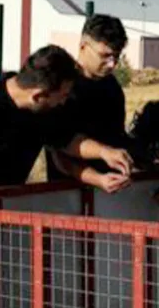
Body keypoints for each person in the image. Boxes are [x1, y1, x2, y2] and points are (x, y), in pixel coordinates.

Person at [0, 45, 133, 192]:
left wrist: (104, 152)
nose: (63, 103)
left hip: (2, 213)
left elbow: (67, 140)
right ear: (38, 96)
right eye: (61, 97)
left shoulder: (44, 113)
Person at [44, 14, 133, 194]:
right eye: (105, 55)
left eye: (116, 57)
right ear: (83, 46)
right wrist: (97, 178)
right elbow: (59, 152)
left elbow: (117, 139)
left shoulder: (112, 87)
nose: (112, 64)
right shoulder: (60, 86)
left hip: (109, 194)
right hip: (66, 196)